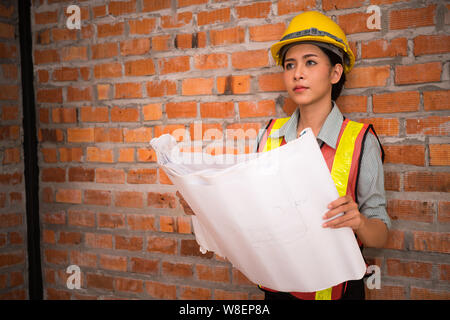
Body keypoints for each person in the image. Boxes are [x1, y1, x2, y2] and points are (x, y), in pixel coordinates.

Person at [254, 11, 391, 300]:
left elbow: (380, 235)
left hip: (337, 294)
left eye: (310, 62)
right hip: (277, 289)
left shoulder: (361, 140)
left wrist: (360, 222)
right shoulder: (268, 136)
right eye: (290, 64)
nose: (297, 73)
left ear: (335, 73)